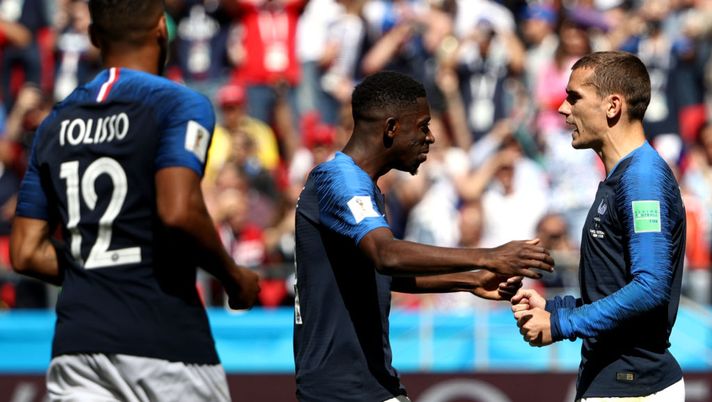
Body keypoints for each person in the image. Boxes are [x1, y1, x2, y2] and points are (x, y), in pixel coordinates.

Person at [9, 1, 260, 401]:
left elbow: (25, 253)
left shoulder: (53, 123)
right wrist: (234, 276)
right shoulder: (180, 104)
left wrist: (96, 271)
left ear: (94, 38)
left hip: (77, 349)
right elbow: (178, 211)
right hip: (165, 343)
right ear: (162, 28)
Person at [293, 70, 555, 402]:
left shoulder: (360, 186)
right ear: (391, 128)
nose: (430, 137)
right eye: (423, 126)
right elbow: (386, 255)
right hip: (342, 390)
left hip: (368, 383)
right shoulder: (339, 181)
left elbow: (381, 273)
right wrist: (488, 255)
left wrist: (471, 281)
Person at [511, 51, 686, 401]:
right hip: (617, 382)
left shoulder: (642, 180)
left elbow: (651, 287)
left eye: (574, 97)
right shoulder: (624, 176)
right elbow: (616, 287)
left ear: (612, 106)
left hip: (634, 386)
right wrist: (557, 310)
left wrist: (561, 325)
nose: (563, 109)